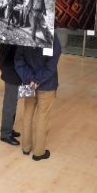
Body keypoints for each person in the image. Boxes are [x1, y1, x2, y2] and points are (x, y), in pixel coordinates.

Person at [14, 33, 61, 161]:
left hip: (29, 84)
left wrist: (30, 78)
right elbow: (51, 64)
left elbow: (18, 60)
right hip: (47, 84)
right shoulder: (51, 35)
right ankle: (39, 152)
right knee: (42, 116)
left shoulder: (24, 33)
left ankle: (26, 147)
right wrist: (37, 79)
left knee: (27, 113)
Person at [0, 44, 21, 145]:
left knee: (13, 102)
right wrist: (1, 64)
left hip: (16, 71)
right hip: (11, 71)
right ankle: (5, 134)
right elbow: (3, 51)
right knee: (10, 104)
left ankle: (9, 128)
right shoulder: (9, 35)